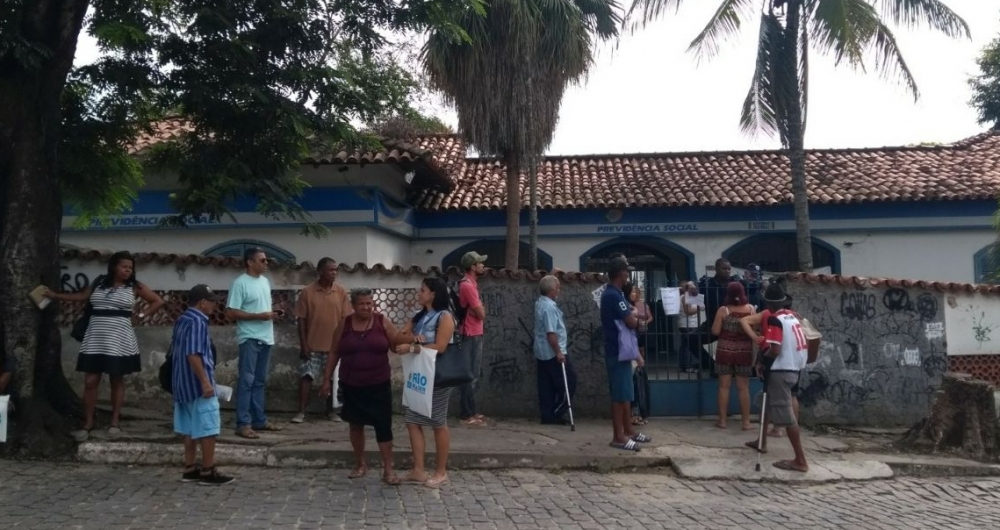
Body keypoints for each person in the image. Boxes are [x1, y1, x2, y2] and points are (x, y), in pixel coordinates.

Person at [44, 251, 164, 441]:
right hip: (95, 337)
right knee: (90, 381)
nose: (127, 270)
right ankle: (88, 422)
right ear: (114, 266)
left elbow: (157, 301)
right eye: (124, 266)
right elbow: (82, 297)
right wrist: (55, 295)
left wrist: (140, 316)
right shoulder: (99, 282)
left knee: (117, 379)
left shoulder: (134, 286)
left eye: (130, 267)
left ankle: (114, 422)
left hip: (120, 337)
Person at [319, 288, 401, 485]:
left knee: (383, 426)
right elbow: (333, 353)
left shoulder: (382, 322)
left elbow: (396, 344)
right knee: (355, 424)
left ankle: (388, 470)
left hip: (379, 384)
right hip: (352, 384)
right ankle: (360, 464)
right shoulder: (344, 324)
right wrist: (326, 381)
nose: (366, 307)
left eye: (369, 303)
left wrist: (411, 338)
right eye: (362, 304)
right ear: (353, 306)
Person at [740, 283, 810, 473]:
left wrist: (763, 361)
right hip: (794, 367)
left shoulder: (774, 320)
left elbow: (775, 348)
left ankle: (800, 459)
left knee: (787, 417)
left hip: (781, 369)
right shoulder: (793, 316)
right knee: (767, 402)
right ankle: (761, 441)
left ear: (768, 303)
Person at [394, 278, 456, 488]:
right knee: (413, 420)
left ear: (433, 294)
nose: (419, 294)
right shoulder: (419, 316)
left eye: (422, 290)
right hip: (418, 374)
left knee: (438, 421)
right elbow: (400, 336)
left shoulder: (445, 317)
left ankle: (441, 471)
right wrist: (412, 338)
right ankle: (418, 469)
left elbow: (441, 346)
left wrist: (414, 348)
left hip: (437, 375)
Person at [171, 284, 235, 485]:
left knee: (189, 427)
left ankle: (190, 468)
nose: (214, 305)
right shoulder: (198, 321)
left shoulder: (182, 320)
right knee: (208, 427)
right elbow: (193, 354)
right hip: (198, 385)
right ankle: (208, 470)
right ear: (202, 303)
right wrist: (205, 382)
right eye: (212, 301)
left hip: (182, 382)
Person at [226, 247, 283, 439]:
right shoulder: (240, 283)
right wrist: (258, 316)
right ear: (250, 262)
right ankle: (243, 423)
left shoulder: (265, 282)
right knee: (247, 381)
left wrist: (270, 315)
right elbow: (231, 312)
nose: (266, 263)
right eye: (262, 260)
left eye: (266, 260)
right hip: (249, 337)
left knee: (259, 381)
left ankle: (259, 420)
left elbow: (261, 308)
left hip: (266, 336)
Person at [600, 256, 650, 452]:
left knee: (626, 393)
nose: (628, 275)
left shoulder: (616, 294)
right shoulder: (612, 295)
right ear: (621, 274)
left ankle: (628, 430)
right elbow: (630, 321)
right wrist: (640, 323)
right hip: (618, 350)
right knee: (620, 395)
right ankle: (618, 436)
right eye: (626, 272)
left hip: (622, 350)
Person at [293, 257, 351, 424]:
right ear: (320, 272)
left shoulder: (340, 292)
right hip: (312, 345)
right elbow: (301, 320)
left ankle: (331, 411)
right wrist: (304, 345)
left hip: (334, 346)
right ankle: (301, 411)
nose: (334, 273)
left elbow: (346, 320)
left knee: (333, 380)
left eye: (335, 270)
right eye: (330, 270)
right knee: (306, 377)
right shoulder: (307, 292)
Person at [711, 282, 756, 430]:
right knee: (743, 387)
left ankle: (722, 421)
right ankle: (746, 422)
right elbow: (755, 329)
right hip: (744, 352)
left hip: (725, 351)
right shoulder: (750, 309)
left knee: (724, 386)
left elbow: (716, 331)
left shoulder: (723, 310)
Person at [533, 275, 576, 425]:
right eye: (557, 287)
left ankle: (547, 415)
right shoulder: (549, 307)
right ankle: (557, 412)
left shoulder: (540, 302)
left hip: (541, 352)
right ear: (551, 290)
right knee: (569, 382)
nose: (559, 290)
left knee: (546, 386)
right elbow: (551, 333)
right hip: (552, 353)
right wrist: (558, 352)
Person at [456, 251, 488, 426]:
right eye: (480, 263)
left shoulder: (471, 284)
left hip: (474, 333)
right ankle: (466, 414)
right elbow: (481, 313)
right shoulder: (468, 286)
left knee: (473, 375)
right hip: (470, 334)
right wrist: (482, 308)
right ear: (472, 267)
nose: (483, 265)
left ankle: (471, 411)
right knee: (470, 375)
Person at [623, 282, 650, 426]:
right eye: (633, 291)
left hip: (635, 345)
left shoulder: (633, 307)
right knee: (632, 383)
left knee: (635, 382)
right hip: (629, 349)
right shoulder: (627, 307)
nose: (636, 293)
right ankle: (632, 415)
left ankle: (636, 413)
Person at [678, 281, 702, 375]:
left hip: (690, 323)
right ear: (687, 289)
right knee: (689, 346)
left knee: (684, 345)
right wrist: (699, 308)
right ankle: (688, 366)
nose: (694, 289)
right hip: (687, 324)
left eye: (694, 287)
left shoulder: (692, 297)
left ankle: (683, 366)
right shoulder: (685, 297)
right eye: (692, 288)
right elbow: (688, 311)